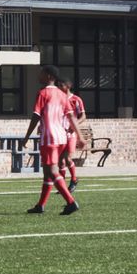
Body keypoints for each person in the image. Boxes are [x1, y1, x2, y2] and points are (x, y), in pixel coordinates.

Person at [23, 65, 82, 215]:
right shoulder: (62, 95)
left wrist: (27, 136)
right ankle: (40, 205)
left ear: (49, 76)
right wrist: (80, 136)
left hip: (49, 138)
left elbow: (36, 116)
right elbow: (71, 117)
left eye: (42, 73)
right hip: (61, 138)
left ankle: (70, 202)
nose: (39, 75)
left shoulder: (42, 93)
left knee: (52, 170)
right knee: (47, 172)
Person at [58, 80, 86, 193]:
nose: (59, 87)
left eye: (61, 85)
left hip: (71, 134)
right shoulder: (58, 99)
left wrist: (74, 125)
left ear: (68, 86)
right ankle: (62, 185)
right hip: (60, 133)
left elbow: (83, 116)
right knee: (61, 161)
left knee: (67, 158)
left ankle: (74, 179)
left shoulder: (76, 99)